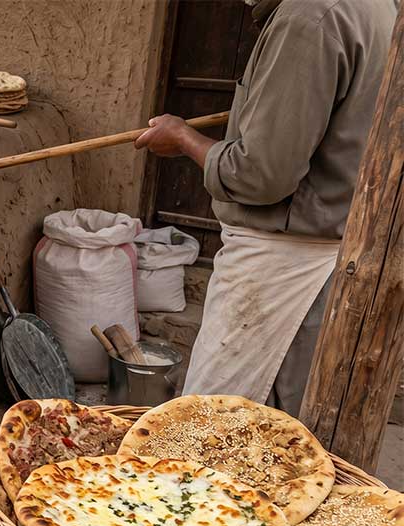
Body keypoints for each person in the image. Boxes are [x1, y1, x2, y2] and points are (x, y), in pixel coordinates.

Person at [134, 0, 397, 415]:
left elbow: (261, 175)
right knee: (271, 429)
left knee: (209, 428)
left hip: (279, 263)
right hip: (321, 251)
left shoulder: (309, 16)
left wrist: (184, 139)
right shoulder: (375, 6)